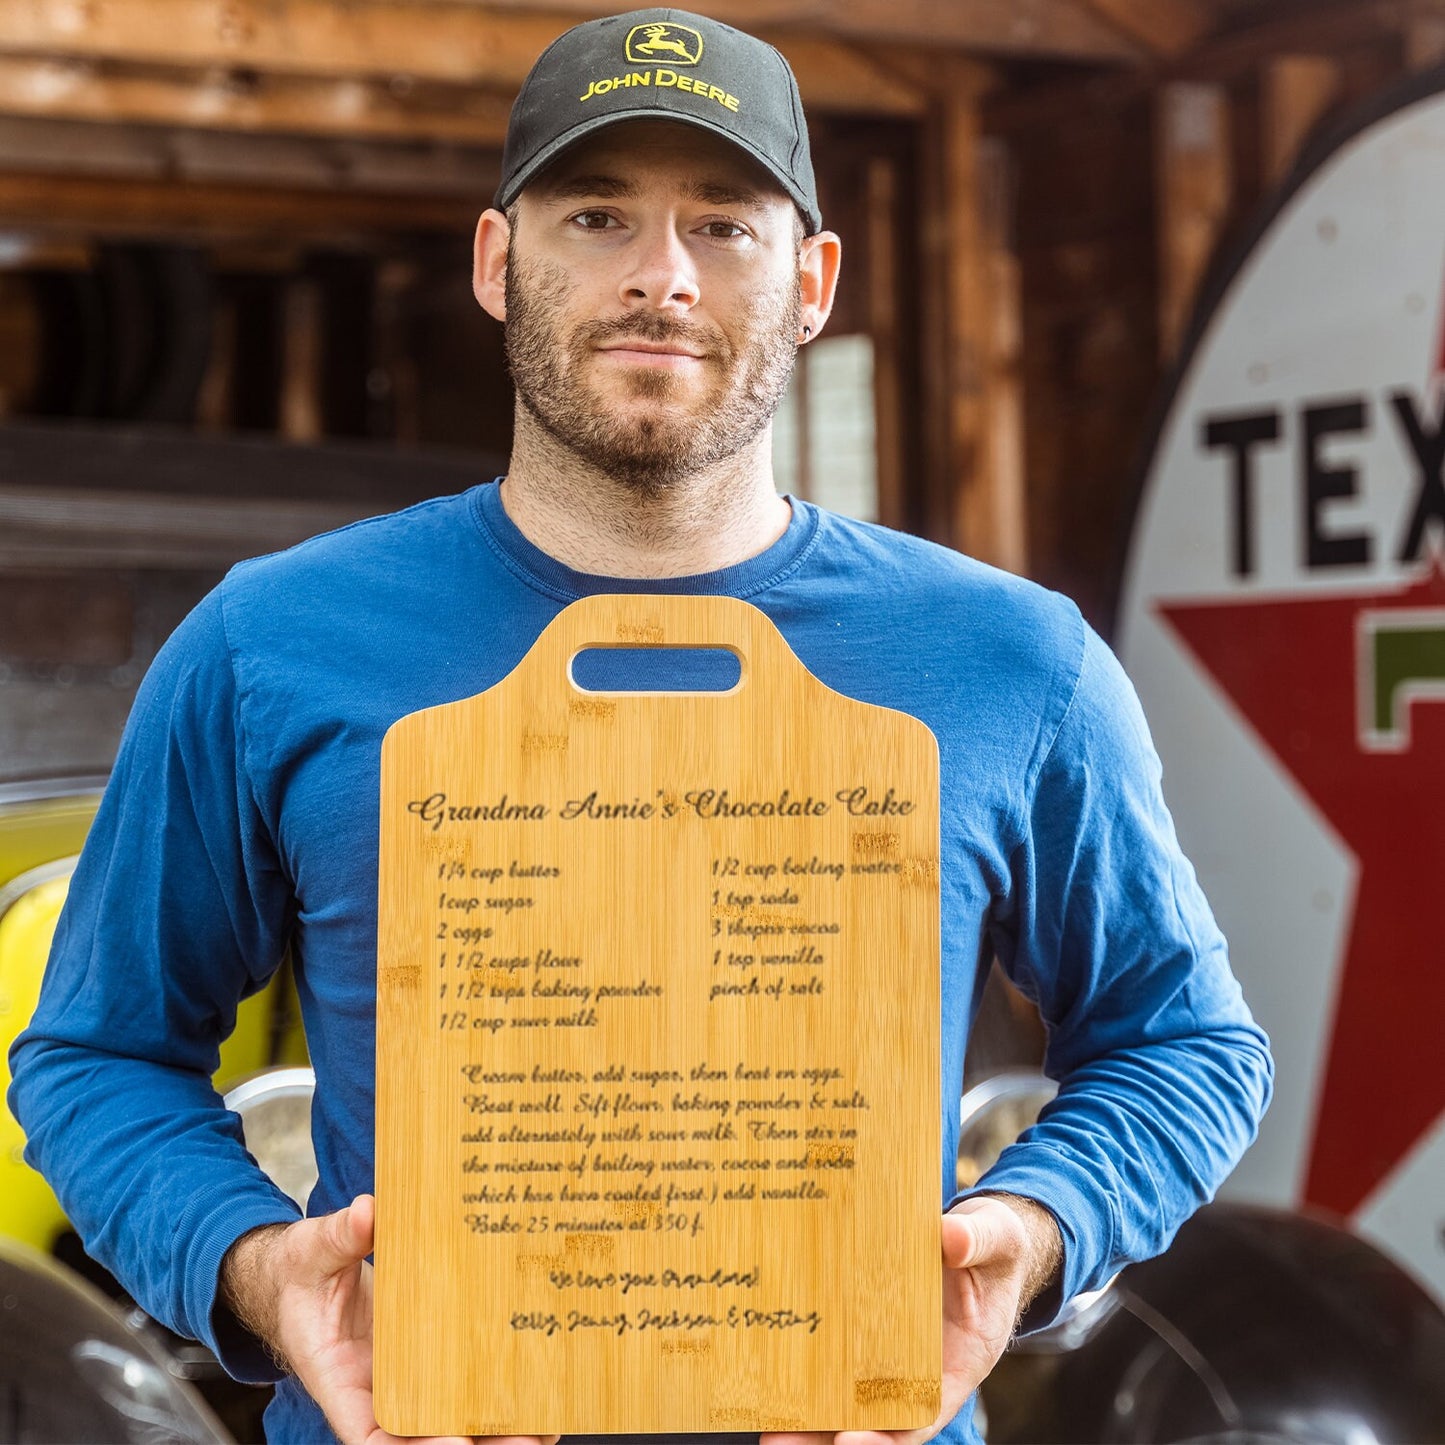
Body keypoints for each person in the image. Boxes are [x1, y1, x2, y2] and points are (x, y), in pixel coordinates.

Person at [9, 9, 1272, 1445]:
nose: (659, 276)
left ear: (811, 281)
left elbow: (1187, 1044)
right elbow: (94, 1055)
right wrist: (256, 1270)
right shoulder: (267, 646)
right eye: (597, 214)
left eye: (722, 224)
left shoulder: (1012, 663)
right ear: (497, 262)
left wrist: (1035, 1227)